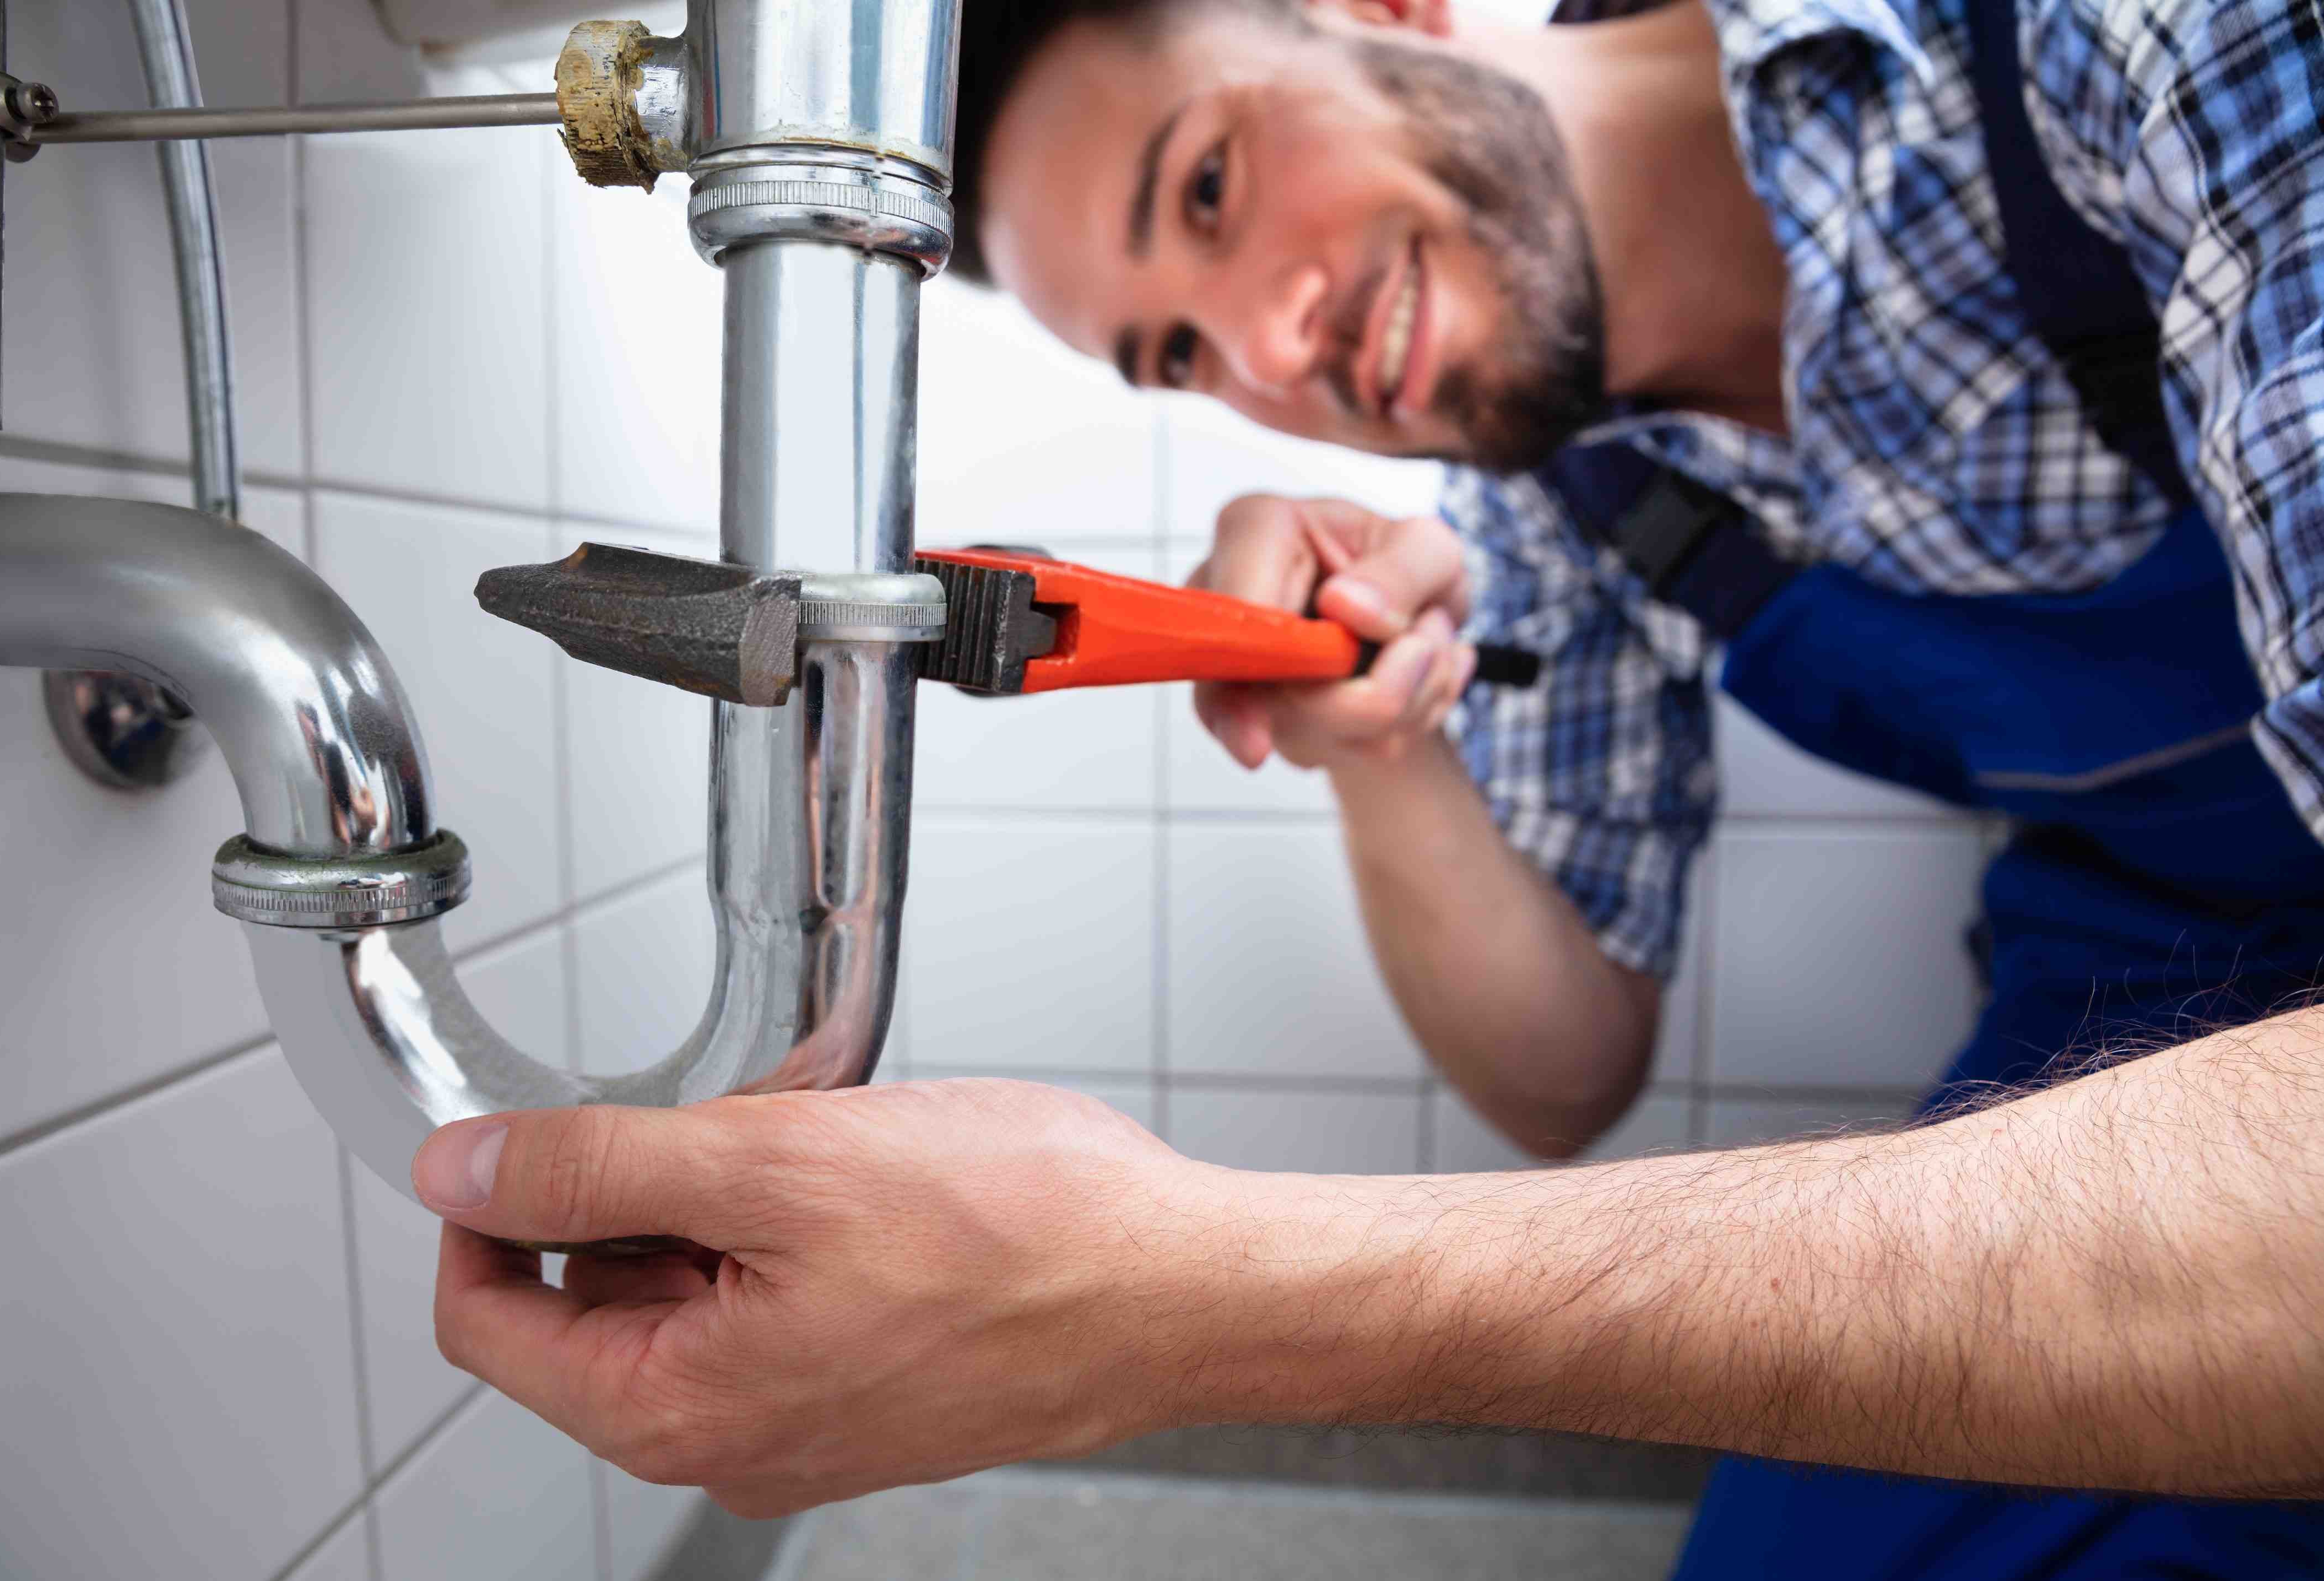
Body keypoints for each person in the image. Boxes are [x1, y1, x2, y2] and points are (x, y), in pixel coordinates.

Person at [414, 0, 2324, 1573]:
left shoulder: (2126, 39)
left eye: (1215, 186)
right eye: (1175, 356)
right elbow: (1559, 1070)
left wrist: (1180, 1297)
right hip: (2135, 985)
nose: (1266, 350)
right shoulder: (1568, 496)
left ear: (1380, 10)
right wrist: (1375, 741)